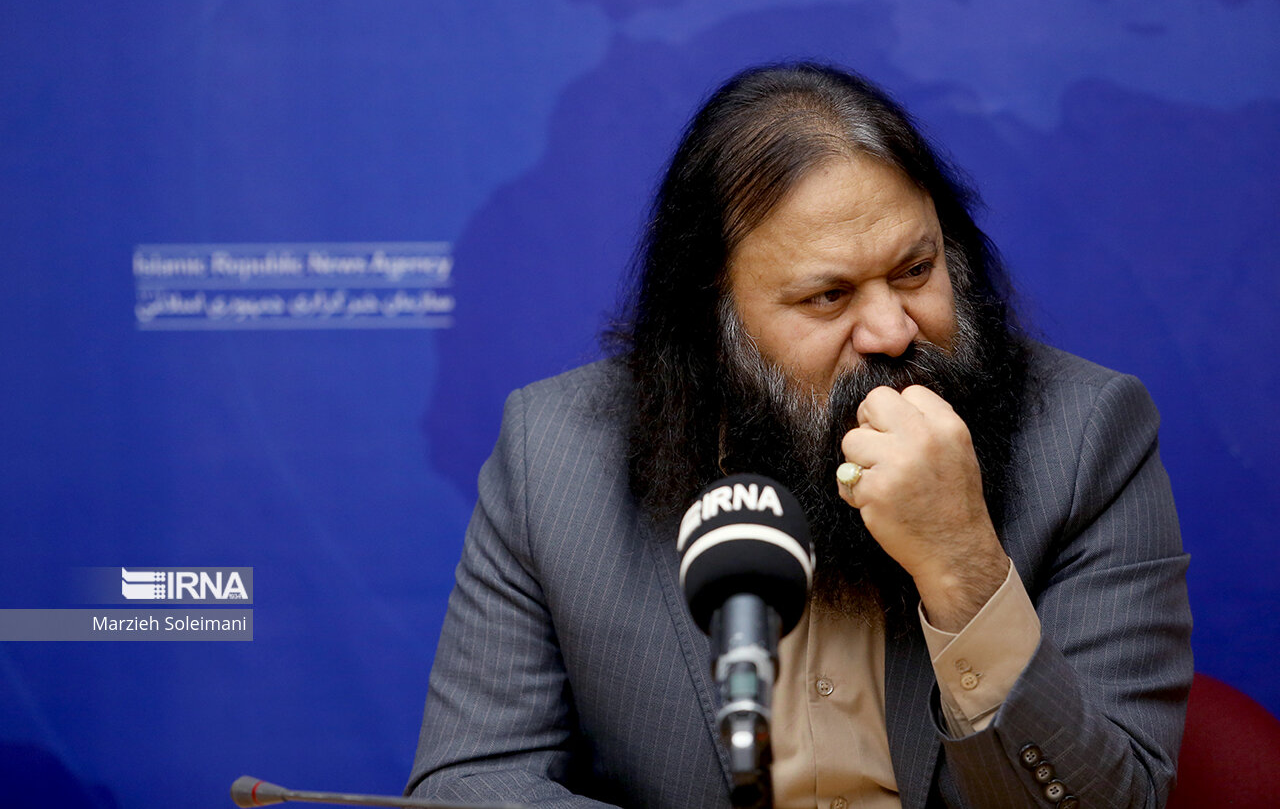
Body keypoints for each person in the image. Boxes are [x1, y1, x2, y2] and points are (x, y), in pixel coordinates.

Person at [406, 63, 1192, 809]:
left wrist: (964, 566)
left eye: (915, 271)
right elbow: (469, 782)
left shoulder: (1087, 437)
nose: (891, 330)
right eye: (827, 296)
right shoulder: (555, 456)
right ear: (714, 322)